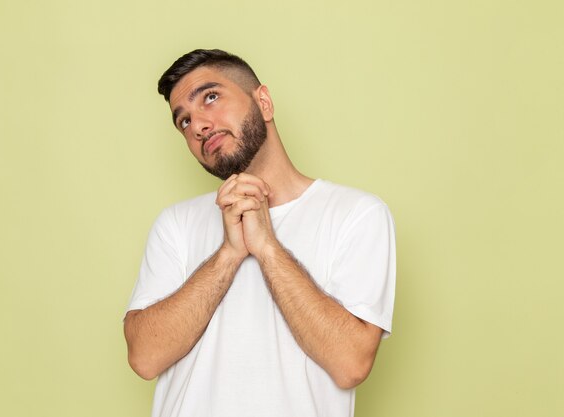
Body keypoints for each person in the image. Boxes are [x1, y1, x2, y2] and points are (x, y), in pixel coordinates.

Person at [123, 49, 396, 417]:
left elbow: (350, 364)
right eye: (184, 121)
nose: (198, 125)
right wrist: (229, 254)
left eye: (211, 97)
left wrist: (267, 246)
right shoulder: (176, 223)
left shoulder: (357, 214)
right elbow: (144, 357)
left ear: (263, 102)